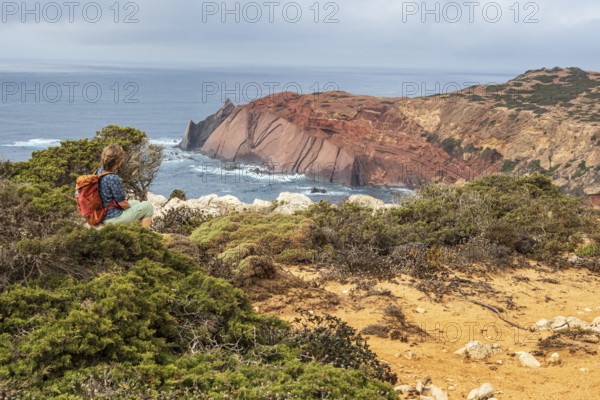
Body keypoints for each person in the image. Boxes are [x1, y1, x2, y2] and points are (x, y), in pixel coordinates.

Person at [97, 144, 154, 228]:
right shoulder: (113, 178)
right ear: (118, 162)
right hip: (112, 218)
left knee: (136, 202)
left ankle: (134, 230)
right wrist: (130, 208)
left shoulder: (99, 172)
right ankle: (143, 236)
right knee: (148, 206)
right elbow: (122, 203)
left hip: (102, 212)